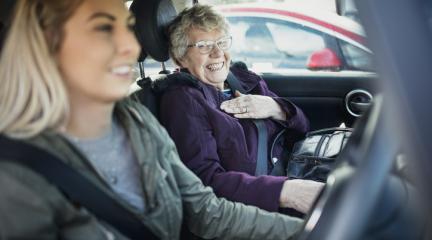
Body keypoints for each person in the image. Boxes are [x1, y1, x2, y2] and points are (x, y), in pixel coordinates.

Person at [0, 0, 304, 239]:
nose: (131, 47)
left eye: (128, 28)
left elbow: (207, 212)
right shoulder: (16, 172)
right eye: (104, 29)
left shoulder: (135, 121)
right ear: (48, 44)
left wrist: (310, 232)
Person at [159, 4, 324, 214]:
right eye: (203, 45)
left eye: (221, 42)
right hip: (261, 205)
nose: (218, 52)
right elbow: (205, 182)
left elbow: (303, 128)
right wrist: (287, 192)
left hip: (297, 172)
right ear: (181, 57)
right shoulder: (183, 99)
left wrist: (275, 108)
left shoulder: (243, 80)